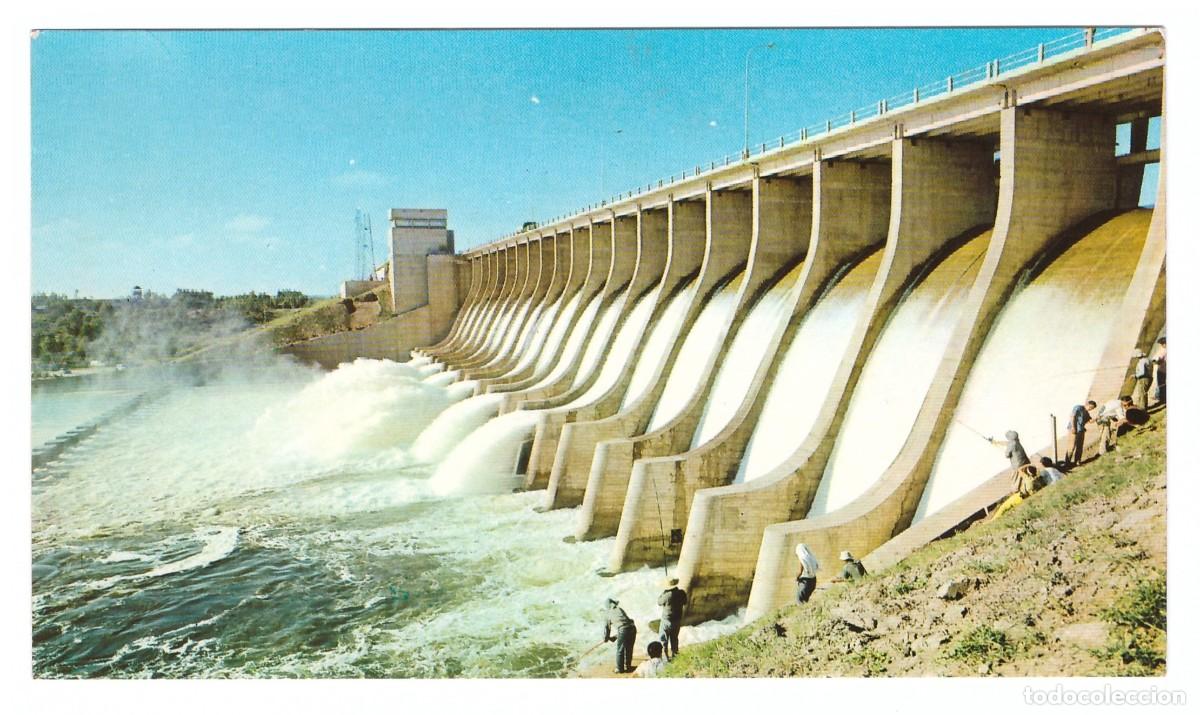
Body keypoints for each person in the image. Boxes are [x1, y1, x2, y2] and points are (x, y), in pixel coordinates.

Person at [602, 597, 637, 674]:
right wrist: (615, 637)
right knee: (629, 648)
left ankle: (619, 668)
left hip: (624, 630)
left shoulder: (607, 614)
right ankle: (628, 666)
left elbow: (607, 629)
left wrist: (606, 638)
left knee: (620, 650)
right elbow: (626, 622)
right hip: (632, 628)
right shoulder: (619, 609)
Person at [657, 577, 688, 660]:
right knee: (674, 638)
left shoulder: (667, 595)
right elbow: (685, 602)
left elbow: (659, 602)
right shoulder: (681, 593)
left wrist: (663, 593)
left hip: (666, 620)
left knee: (663, 639)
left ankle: (665, 657)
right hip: (677, 619)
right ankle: (675, 655)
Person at [1152, 337, 1166, 404]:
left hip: (1162, 370)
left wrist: (1155, 362)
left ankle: (1161, 399)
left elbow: (1159, 361)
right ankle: (1160, 397)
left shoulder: (1163, 351)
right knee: (1162, 384)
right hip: (1164, 370)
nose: (1161, 345)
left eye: (1162, 344)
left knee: (1161, 385)